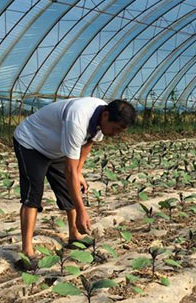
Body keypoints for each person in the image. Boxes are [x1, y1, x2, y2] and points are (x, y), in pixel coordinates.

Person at [13, 97, 136, 259]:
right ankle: (27, 250)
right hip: (31, 143)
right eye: (116, 129)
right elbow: (69, 170)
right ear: (106, 116)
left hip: (56, 147)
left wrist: (79, 172)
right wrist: (81, 211)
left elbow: (88, 142)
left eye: (120, 131)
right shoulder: (78, 119)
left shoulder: (101, 117)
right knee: (33, 195)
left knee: (69, 187)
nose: (115, 134)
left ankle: (74, 234)